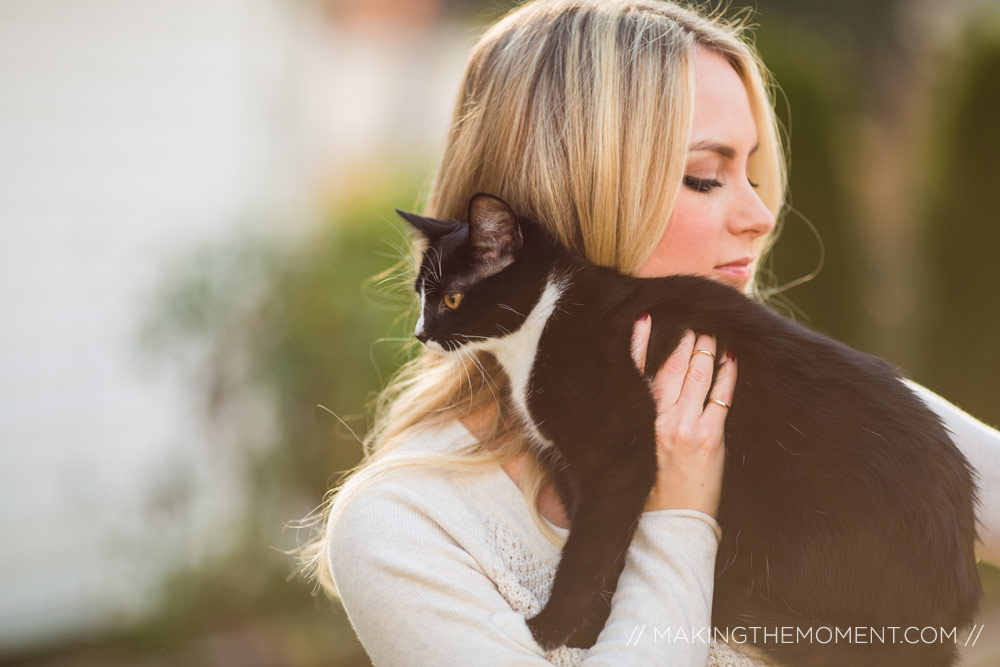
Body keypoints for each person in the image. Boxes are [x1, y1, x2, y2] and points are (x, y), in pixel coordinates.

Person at [298, 1, 1000, 664]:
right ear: (573, 194)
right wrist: (677, 516)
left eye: (752, 172)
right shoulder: (411, 527)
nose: (760, 215)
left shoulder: (798, 394)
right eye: (704, 176)